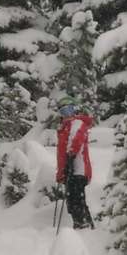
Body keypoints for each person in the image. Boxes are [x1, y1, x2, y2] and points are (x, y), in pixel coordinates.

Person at [56, 96, 94, 229]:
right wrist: (61, 173)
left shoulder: (76, 123)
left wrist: (71, 156)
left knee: (75, 199)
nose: (67, 114)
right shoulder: (63, 129)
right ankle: (84, 224)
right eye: (63, 111)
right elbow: (61, 154)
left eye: (69, 109)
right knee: (73, 200)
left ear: (74, 111)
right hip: (70, 169)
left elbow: (76, 139)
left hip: (78, 168)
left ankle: (83, 225)